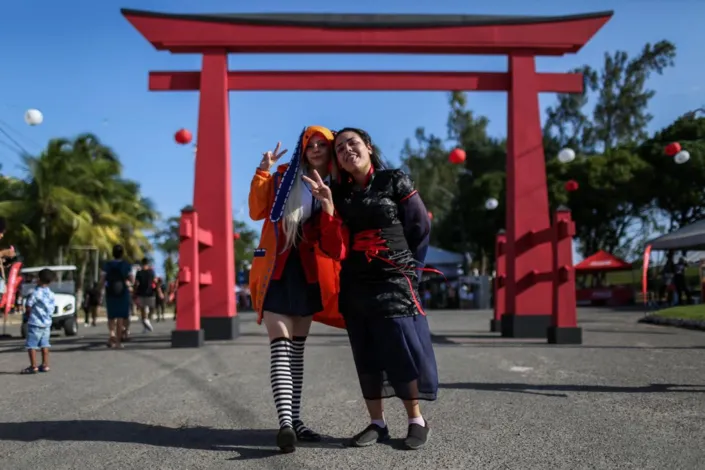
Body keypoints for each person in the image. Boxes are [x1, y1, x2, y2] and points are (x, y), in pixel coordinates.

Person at [304, 127, 438, 450]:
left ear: (368, 146)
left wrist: (412, 271)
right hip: (356, 281)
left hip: (395, 277)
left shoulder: (394, 180)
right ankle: (377, 423)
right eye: (339, 148)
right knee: (365, 351)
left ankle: (416, 420)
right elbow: (329, 243)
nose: (346, 150)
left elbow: (419, 227)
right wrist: (328, 207)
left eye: (352, 143)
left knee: (400, 346)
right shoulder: (337, 192)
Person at [248, 125, 345, 453]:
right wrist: (263, 171)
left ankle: (296, 420)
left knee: (297, 353)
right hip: (276, 268)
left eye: (321, 144)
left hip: (308, 272)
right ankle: (286, 424)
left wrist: (329, 204)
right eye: (310, 144)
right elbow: (256, 211)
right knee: (280, 346)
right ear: (302, 148)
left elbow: (335, 243)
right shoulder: (282, 176)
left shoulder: (337, 184)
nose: (315, 148)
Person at [21, 268, 56, 374]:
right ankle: (45, 365)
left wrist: (28, 315)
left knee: (32, 345)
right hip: (46, 324)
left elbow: (29, 305)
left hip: (35, 323)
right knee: (45, 345)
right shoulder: (51, 294)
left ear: (39, 279)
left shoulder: (35, 293)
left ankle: (33, 366)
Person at [99, 244, 134, 349]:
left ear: (113, 253)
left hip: (110, 292)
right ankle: (118, 342)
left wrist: (99, 289)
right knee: (120, 317)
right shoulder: (126, 265)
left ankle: (111, 334)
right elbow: (131, 279)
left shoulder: (107, 265)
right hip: (122, 292)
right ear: (122, 253)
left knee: (111, 316)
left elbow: (102, 279)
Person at [133, 258, 155, 332]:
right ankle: (147, 323)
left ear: (142, 264)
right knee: (151, 308)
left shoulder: (139, 272)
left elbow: (136, 283)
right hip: (150, 293)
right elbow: (154, 281)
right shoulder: (151, 272)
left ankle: (146, 323)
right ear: (148, 264)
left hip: (141, 293)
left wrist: (134, 292)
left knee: (143, 310)